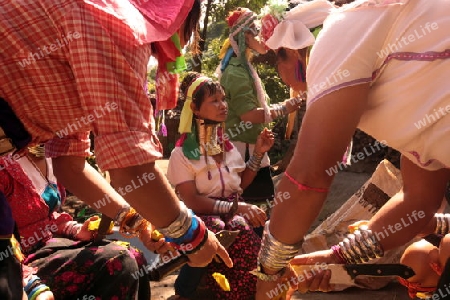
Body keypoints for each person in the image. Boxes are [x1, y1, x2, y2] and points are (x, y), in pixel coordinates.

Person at [0, 0, 231, 273]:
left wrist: (137, 221)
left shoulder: (98, 20)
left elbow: (70, 166)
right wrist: (193, 235)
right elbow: (130, 169)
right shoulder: (117, 23)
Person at [250, 0, 450, 299]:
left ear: (291, 52)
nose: (278, 74)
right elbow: (417, 201)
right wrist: (336, 257)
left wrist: (270, 272)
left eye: (274, 63)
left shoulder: (338, 35)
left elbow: (307, 179)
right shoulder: (412, 84)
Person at [165, 72, 273, 299]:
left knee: (258, 226)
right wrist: (236, 208)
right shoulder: (182, 154)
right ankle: (187, 290)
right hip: (201, 214)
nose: (223, 105)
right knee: (223, 226)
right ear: (195, 108)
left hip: (234, 209)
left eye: (223, 99)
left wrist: (259, 152)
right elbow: (192, 200)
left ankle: (241, 290)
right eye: (214, 100)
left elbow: (241, 183)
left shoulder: (228, 146)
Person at [0, 145, 156, 299]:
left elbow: (48, 218)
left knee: (135, 256)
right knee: (118, 261)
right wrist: (29, 283)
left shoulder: (53, 158)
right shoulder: (5, 166)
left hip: (49, 247)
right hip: (17, 264)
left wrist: (76, 230)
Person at [217, 8, 303, 229]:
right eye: (256, 31)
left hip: (251, 148)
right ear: (244, 36)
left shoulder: (245, 69)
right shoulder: (236, 72)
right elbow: (250, 115)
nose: (262, 36)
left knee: (257, 213)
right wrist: (285, 107)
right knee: (248, 215)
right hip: (240, 152)